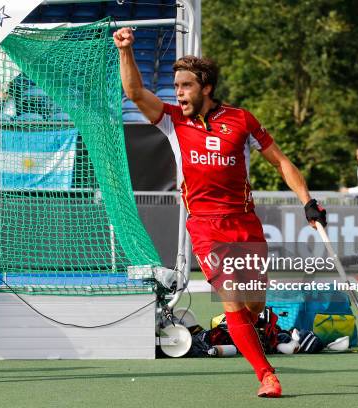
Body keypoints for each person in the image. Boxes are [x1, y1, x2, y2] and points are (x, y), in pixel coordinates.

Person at [113, 28, 327, 398]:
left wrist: (307, 199)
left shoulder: (242, 120)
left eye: (184, 86)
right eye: (175, 86)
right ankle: (267, 374)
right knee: (232, 302)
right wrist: (126, 51)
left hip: (245, 224)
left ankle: (266, 329)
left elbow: (281, 162)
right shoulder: (171, 120)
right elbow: (134, 93)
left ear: (206, 87)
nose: (177, 93)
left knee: (254, 302)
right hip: (206, 227)